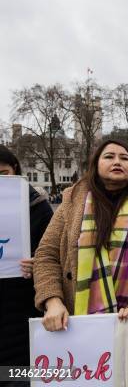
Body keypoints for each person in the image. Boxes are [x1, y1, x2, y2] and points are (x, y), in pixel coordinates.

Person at [33, 139, 128, 331]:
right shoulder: (72, 200)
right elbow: (46, 254)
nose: (117, 162)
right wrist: (53, 300)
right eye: (109, 156)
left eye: (124, 158)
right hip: (71, 317)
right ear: (96, 165)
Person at [0, 146, 53, 374]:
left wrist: (37, 263)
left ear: (15, 170)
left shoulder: (37, 206)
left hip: (22, 301)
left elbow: (52, 253)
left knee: (18, 370)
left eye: (3, 173)